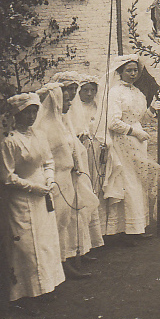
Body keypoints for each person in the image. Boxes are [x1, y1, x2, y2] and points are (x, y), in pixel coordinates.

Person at [0, 93, 65, 315]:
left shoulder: (39, 135)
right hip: (21, 198)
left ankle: (45, 286)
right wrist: (34, 187)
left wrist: (50, 179)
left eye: (35, 111)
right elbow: (6, 177)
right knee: (25, 245)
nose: (32, 116)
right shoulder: (9, 140)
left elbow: (48, 161)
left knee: (44, 241)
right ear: (16, 114)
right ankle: (25, 295)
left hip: (43, 193)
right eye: (27, 113)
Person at [34, 82, 98, 279]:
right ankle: (60, 262)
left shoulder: (62, 122)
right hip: (57, 178)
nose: (70, 103)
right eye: (67, 100)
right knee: (59, 221)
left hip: (69, 175)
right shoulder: (46, 127)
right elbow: (46, 157)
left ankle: (69, 257)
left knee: (68, 219)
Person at [100, 55, 160, 243]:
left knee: (139, 181)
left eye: (135, 70)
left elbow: (141, 118)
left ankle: (138, 226)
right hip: (122, 141)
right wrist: (135, 132)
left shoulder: (137, 92)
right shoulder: (115, 93)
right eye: (129, 70)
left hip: (137, 140)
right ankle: (126, 230)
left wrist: (152, 109)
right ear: (120, 72)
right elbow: (113, 123)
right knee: (128, 183)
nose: (133, 74)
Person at [66, 74, 106, 253]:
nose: (89, 94)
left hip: (95, 149)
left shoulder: (98, 107)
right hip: (78, 153)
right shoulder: (74, 109)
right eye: (85, 91)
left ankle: (97, 234)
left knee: (96, 186)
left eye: (93, 91)